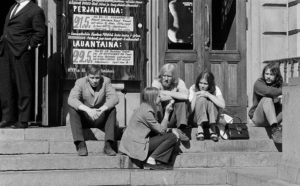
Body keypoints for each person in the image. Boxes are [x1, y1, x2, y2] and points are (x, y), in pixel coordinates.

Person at [0, 0, 45, 128]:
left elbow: (40, 33)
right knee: (5, 86)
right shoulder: (13, 6)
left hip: (21, 51)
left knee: (23, 85)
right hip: (5, 49)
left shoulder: (36, 10)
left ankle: (23, 120)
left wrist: (29, 46)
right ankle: (7, 117)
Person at [119, 87, 177, 170]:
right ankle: (151, 160)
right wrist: (167, 114)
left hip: (133, 142)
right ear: (153, 98)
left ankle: (159, 161)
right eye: (158, 96)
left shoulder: (144, 107)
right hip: (136, 145)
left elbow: (157, 129)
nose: (160, 98)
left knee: (166, 135)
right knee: (172, 137)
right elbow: (162, 130)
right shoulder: (147, 111)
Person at [68, 65, 119, 156]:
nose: (95, 81)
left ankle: (108, 145)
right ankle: (80, 144)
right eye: (92, 78)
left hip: (100, 116)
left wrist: (101, 110)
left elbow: (114, 98)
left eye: (97, 78)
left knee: (112, 109)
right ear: (87, 76)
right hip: (85, 118)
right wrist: (88, 110)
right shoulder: (80, 82)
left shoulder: (106, 81)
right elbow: (71, 99)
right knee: (72, 109)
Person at [248, 62, 287, 143]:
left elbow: (290, 89)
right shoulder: (258, 83)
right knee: (267, 98)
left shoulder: (280, 84)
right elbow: (268, 91)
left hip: (274, 117)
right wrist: (282, 91)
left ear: (277, 76)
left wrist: (283, 91)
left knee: (290, 103)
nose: (268, 77)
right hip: (259, 119)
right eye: (266, 74)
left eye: (272, 74)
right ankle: (275, 130)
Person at [152, 63, 190, 141]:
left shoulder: (179, 82)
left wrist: (165, 92)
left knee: (182, 102)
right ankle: (158, 129)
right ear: (161, 75)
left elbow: (185, 96)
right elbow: (154, 98)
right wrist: (174, 97)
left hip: (173, 116)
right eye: (164, 75)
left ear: (173, 77)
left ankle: (180, 129)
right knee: (157, 102)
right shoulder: (156, 82)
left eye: (169, 76)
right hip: (160, 117)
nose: (166, 79)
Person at [189, 70, 225, 142]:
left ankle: (212, 129)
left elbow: (222, 105)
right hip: (196, 120)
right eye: (200, 83)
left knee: (211, 100)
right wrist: (196, 95)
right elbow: (190, 110)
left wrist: (209, 95)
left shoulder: (215, 89)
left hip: (212, 119)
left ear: (210, 84)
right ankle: (200, 129)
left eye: (205, 84)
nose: (202, 86)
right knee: (201, 99)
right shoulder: (193, 88)